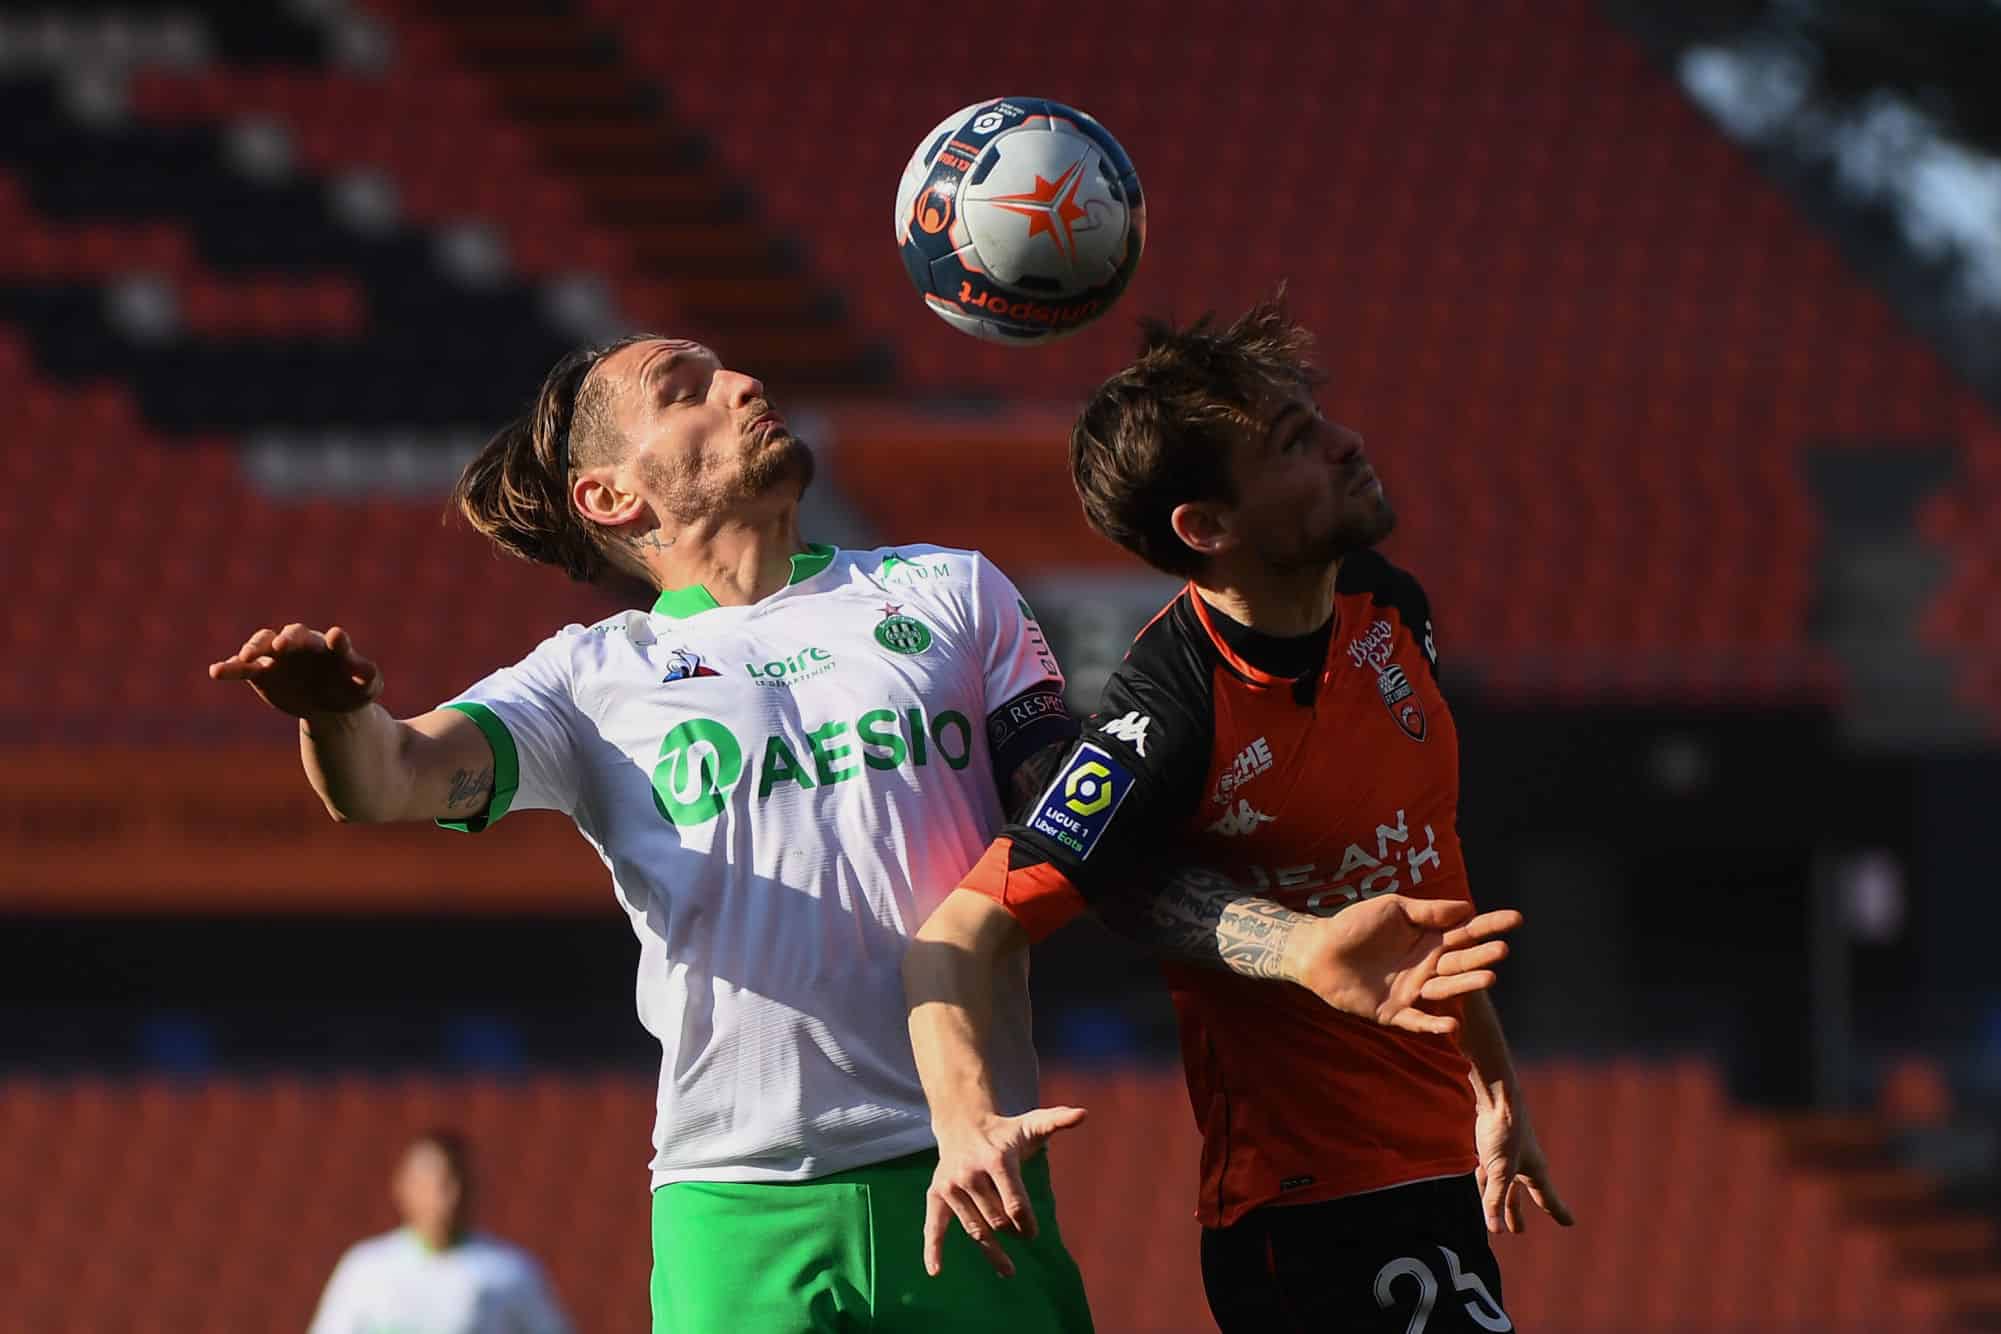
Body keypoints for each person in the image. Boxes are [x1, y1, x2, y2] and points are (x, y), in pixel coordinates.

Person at [211, 334, 1517, 1334]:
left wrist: (1286, 941)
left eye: (728, 367)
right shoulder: (585, 676)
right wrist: (338, 715)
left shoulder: (948, 594)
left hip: (976, 1169)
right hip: (736, 1202)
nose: (738, 383)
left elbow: (1087, 840)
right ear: (610, 497)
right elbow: (391, 776)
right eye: (687, 386)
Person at [904, 295, 1574, 1333]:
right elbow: (956, 933)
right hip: (1312, 1209)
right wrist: (961, 1121)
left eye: (1320, 416)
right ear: (1205, 527)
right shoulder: (1161, 717)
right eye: (1297, 442)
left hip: (1436, 1170)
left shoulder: (1390, 605)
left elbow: (1419, 882)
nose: (1349, 444)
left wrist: (1495, 1087)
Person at [308, 1128, 572, 1334]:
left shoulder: (508, 1272)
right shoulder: (366, 1269)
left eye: (459, 1182)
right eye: (439, 1184)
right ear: (404, 1187)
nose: (450, 1197)